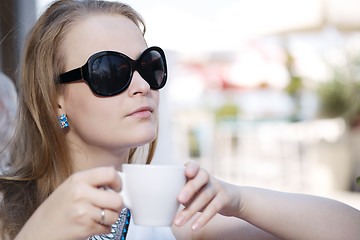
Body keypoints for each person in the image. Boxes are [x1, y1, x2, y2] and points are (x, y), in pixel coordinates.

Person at [0, 0, 359, 239]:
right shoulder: (7, 209)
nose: (142, 85)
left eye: (149, 66)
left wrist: (240, 200)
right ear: (54, 100)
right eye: (111, 70)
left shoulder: (164, 211)